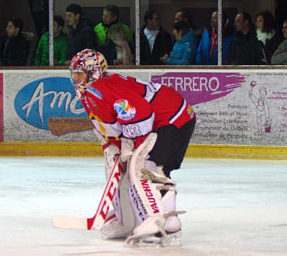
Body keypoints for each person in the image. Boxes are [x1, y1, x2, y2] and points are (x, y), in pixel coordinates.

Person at [69, 49, 196, 244]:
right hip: (161, 120)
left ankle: (169, 222)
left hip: (172, 118)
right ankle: (127, 220)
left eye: (78, 73)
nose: (75, 79)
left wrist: (130, 144)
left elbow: (142, 115)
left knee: (146, 168)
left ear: (92, 72)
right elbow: (112, 126)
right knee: (129, 169)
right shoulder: (91, 93)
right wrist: (113, 146)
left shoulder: (102, 89)